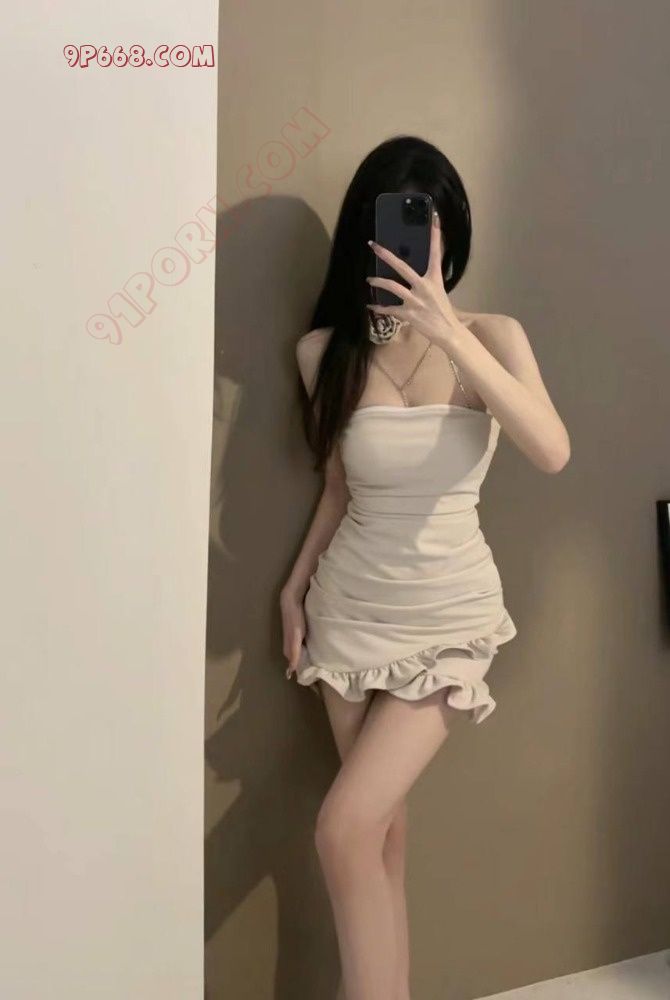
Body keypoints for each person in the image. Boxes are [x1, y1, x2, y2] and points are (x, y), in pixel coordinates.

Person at [279, 135, 570, 1000]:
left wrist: (448, 330)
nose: (412, 247)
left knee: (342, 830)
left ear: (451, 237)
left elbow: (551, 450)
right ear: (363, 238)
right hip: (347, 612)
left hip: (449, 621)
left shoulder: (494, 337)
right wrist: (294, 588)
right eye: (396, 228)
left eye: (428, 228)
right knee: (381, 836)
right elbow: (339, 489)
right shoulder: (323, 352)